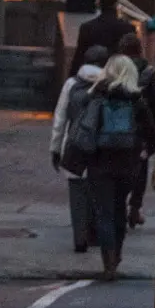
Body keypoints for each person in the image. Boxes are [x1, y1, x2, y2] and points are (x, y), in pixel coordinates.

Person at [62, 53, 155, 281]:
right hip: (129, 165)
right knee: (119, 210)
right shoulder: (136, 100)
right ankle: (117, 255)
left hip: (100, 164)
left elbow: (83, 128)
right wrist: (144, 149)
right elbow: (152, 132)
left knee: (104, 212)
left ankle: (108, 262)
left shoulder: (96, 96)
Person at [50, 45, 110, 250]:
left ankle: (79, 238)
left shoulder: (71, 83)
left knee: (77, 192)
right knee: (98, 192)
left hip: (74, 145)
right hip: (101, 147)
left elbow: (60, 118)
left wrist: (55, 148)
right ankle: (95, 235)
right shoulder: (109, 84)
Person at [116, 32, 155, 228]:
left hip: (118, 129)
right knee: (140, 170)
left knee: (119, 169)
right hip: (142, 132)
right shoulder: (149, 73)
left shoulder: (115, 71)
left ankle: (119, 205)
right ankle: (135, 208)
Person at [66, 0, 136, 81]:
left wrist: (71, 78)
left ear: (99, 5)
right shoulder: (128, 28)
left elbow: (79, 56)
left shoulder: (87, 28)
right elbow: (133, 57)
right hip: (119, 78)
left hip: (92, 77)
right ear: (116, 5)